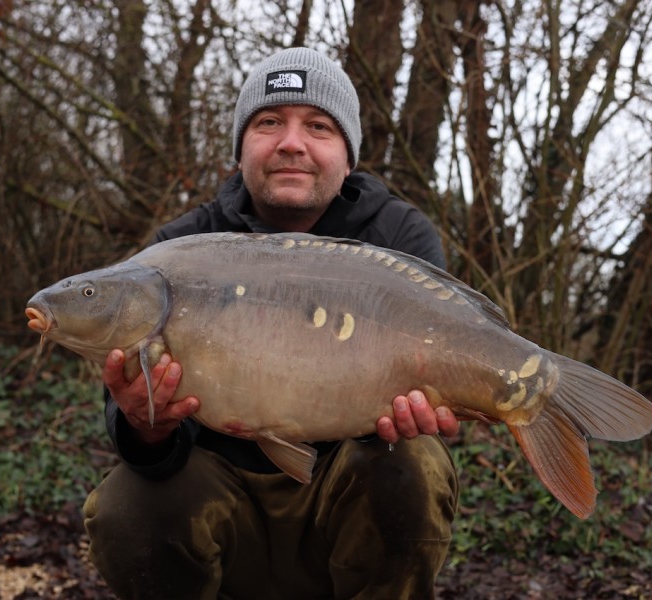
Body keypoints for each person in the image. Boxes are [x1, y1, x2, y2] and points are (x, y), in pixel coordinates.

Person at [83, 47, 460, 600]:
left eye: (318, 126)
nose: (291, 142)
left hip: (349, 499)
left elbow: (446, 369)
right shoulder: (177, 253)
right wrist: (148, 425)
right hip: (223, 507)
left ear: (348, 156)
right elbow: (141, 439)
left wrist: (436, 409)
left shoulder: (398, 237)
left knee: (413, 466)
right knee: (124, 506)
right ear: (240, 149)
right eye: (268, 122)